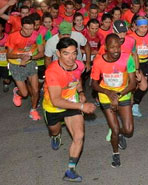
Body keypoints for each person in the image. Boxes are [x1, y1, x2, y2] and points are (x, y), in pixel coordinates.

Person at [42, 37, 96, 182]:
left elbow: (77, 79)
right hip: (53, 107)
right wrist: (82, 106)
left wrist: (81, 93)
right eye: (66, 53)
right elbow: (56, 100)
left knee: (79, 136)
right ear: (58, 54)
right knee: (55, 130)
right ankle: (56, 136)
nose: (71, 57)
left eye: (73, 53)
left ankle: (70, 170)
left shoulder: (79, 64)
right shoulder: (52, 71)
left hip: (72, 102)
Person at [91, 34, 137, 167]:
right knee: (115, 129)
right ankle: (115, 153)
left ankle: (119, 134)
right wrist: (108, 93)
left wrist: (117, 94)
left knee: (128, 130)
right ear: (105, 48)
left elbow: (133, 83)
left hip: (123, 93)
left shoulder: (127, 58)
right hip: (106, 96)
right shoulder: (99, 61)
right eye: (112, 47)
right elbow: (94, 84)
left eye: (118, 46)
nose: (116, 50)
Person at [6, 15, 44, 120]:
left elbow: (41, 53)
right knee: (25, 93)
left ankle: (33, 110)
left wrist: (30, 57)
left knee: (36, 91)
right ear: (21, 27)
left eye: (31, 29)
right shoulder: (13, 36)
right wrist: (20, 56)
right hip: (16, 64)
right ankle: (17, 92)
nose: (29, 31)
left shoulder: (37, 36)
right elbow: (8, 55)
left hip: (30, 63)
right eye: (26, 29)